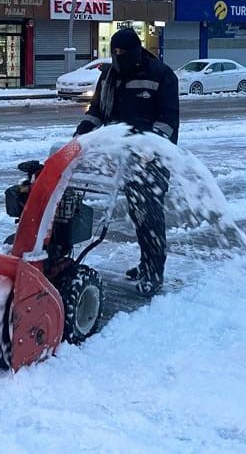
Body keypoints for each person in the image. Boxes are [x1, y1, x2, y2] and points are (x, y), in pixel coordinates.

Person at [74, 28, 179, 297]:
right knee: (136, 214)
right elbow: (97, 111)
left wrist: (149, 147)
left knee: (149, 216)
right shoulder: (109, 75)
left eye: (123, 53)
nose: (118, 58)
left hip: (151, 158)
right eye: (114, 53)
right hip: (120, 156)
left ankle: (154, 272)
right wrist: (82, 133)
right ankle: (145, 263)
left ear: (136, 50)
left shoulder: (161, 74)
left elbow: (168, 121)